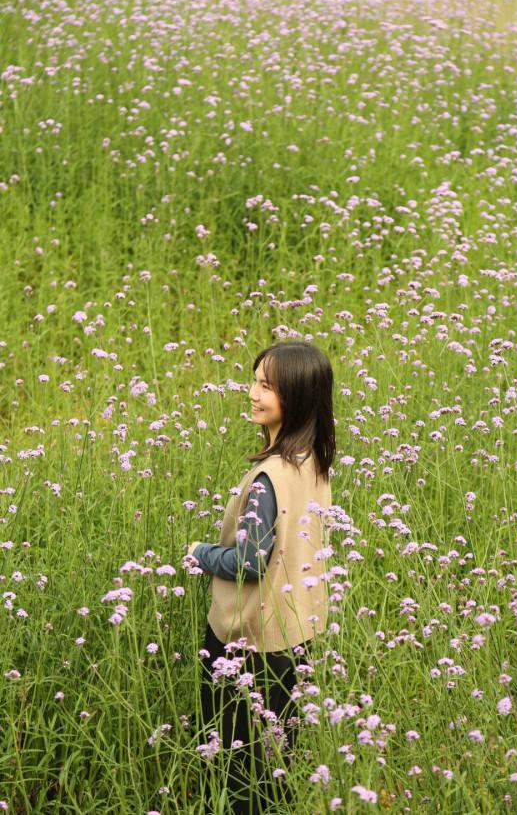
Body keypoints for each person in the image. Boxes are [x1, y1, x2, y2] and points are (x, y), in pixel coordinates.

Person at [187, 340, 336, 814]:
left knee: (237, 769)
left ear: (296, 397)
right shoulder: (313, 461)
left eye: (266, 386)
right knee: (278, 765)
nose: (252, 393)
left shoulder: (269, 477)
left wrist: (200, 553)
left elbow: (249, 562)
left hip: (248, 644)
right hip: (299, 636)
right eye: (254, 380)